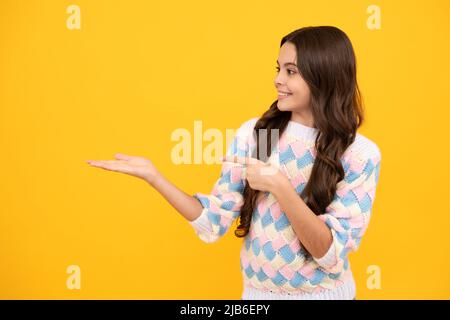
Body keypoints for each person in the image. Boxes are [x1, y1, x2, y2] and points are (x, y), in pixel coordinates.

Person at [86, 26, 381, 300]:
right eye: (279, 69)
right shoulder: (261, 135)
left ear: (324, 76)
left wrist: (280, 187)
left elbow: (328, 253)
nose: (278, 79)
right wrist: (154, 177)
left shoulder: (358, 153)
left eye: (291, 71)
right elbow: (214, 222)